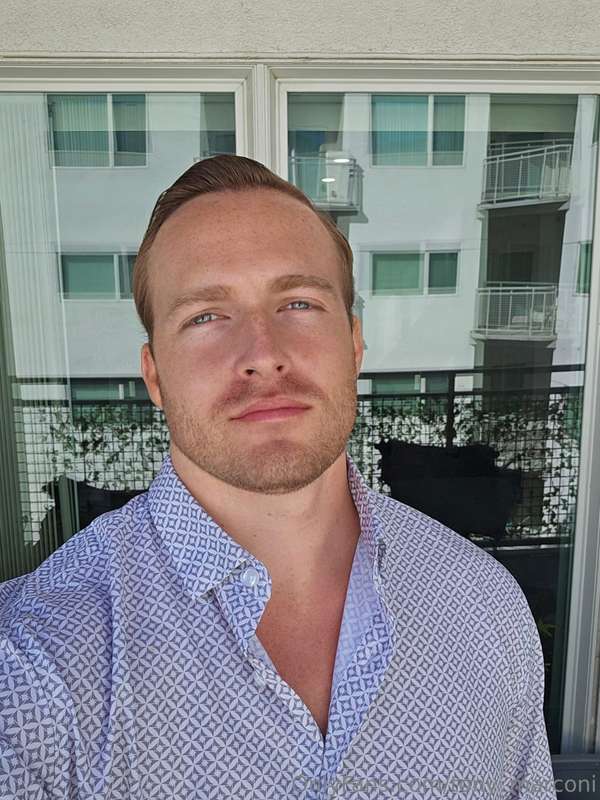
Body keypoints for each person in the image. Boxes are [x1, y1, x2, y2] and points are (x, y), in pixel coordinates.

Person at [0, 155, 557, 799]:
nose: (263, 355)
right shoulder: (34, 661)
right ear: (155, 376)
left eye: (298, 302)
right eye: (206, 316)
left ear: (354, 344)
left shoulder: (484, 605)